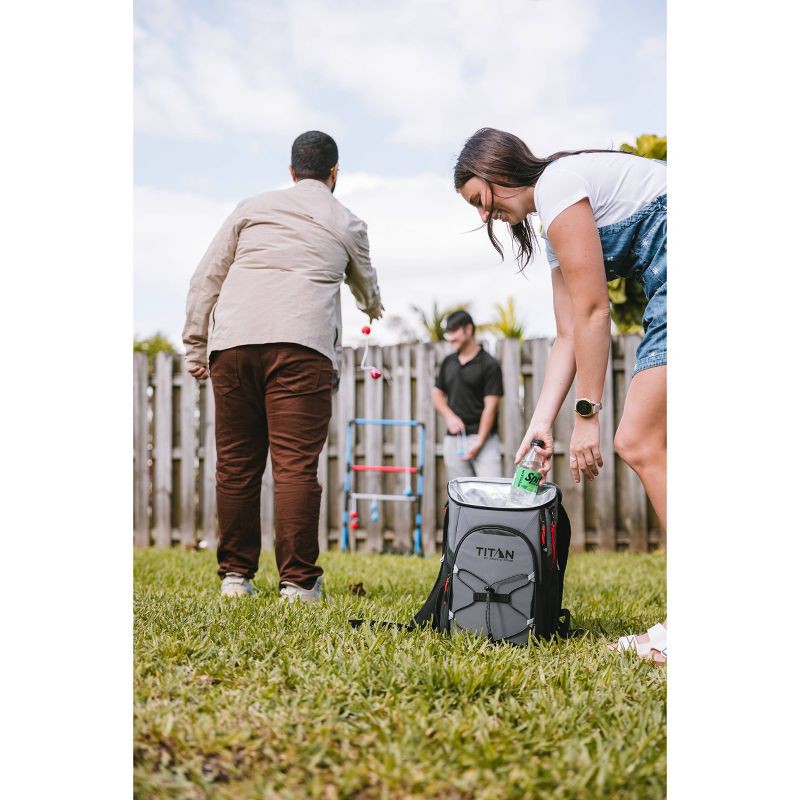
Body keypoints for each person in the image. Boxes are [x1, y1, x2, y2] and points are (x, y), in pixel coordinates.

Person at [453, 127, 667, 664]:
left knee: (638, 439)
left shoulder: (556, 184)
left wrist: (588, 416)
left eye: (481, 200)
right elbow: (569, 333)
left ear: (497, 170)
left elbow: (597, 311)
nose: (485, 216)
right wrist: (541, 424)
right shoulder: (554, 227)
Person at [183, 130, 383, 601]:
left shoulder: (251, 208)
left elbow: (205, 278)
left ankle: (236, 578)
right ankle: (297, 582)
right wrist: (373, 308)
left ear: (292, 172)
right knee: (294, 467)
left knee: (234, 465)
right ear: (335, 174)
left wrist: (196, 346)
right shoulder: (347, 221)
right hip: (301, 348)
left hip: (232, 346)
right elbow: (366, 285)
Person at [433, 310, 504, 482]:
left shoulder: (489, 364)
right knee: (461, 497)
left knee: (491, 495)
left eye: (454, 331)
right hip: (454, 441)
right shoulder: (448, 362)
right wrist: (449, 416)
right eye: (448, 333)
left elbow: (491, 407)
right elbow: (436, 394)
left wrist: (479, 442)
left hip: (484, 441)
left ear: (468, 329)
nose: (450, 337)